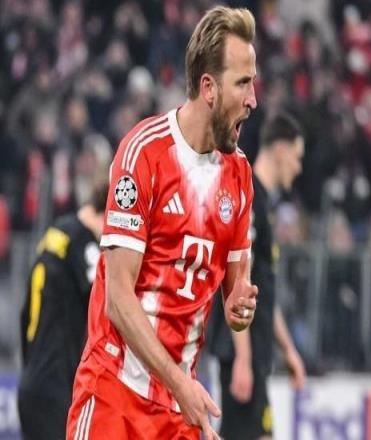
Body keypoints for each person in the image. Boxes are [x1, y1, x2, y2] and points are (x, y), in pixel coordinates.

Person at [66, 6, 259, 440]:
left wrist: (239, 310)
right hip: (114, 395)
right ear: (208, 88)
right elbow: (118, 299)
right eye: (243, 83)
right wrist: (180, 384)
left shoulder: (240, 175)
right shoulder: (144, 154)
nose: (253, 100)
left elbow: (235, 298)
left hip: (177, 410)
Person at [210, 112, 307, 440]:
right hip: (242, 353)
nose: (299, 167)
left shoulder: (261, 202)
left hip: (255, 354)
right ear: (280, 150)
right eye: (296, 157)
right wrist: (243, 358)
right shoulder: (248, 195)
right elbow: (236, 279)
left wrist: (288, 349)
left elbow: (260, 291)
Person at [18, 179, 108, 440]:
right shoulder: (84, 245)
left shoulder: (55, 234)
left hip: (32, 383)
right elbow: (109, 304)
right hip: (57, 390)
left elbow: (25, 315)